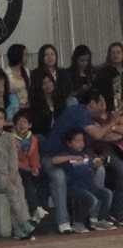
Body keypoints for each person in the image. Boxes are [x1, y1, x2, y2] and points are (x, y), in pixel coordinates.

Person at [39, 89, 123, 234]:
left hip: (74, 159)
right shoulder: (78, 111)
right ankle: (63, 222)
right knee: (59, 177)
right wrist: (113, 121)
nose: (104, 107)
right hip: (53, 157)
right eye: (101, 103)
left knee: (99, 169)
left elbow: (106, 136)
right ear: (92, 104)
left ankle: (94, 218)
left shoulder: (87, 117)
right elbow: (98, 134)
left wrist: (113, 126)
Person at [0, 108, 35, 240]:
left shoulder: (10, 137)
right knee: (12, 190)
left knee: (19, 188)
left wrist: (12, 173)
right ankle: (25, 222)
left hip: (10, 172)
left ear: (5, 121)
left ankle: (19, 230)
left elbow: (13, 157)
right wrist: (6, 175)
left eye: (0, 118)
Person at [52, 130, 116, 233]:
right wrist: (72, 157)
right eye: (77, 141)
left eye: (82, 140)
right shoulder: (65, 153)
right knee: (91, 199)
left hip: (89, 185)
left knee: (107, 194)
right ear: (69, 143)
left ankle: (99, 220)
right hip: (74, 187)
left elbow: (92, 164)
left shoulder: (85, 154)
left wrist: (97, 164)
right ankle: (78, 223)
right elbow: (54, 160)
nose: (80, 143)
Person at [12, 110, 50, 222]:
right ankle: (36, 208)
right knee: (26, 177)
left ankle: (43, 207)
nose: (21, 125)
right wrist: (28, 168)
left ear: (30, 125)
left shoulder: (33, 139)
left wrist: (35, 167)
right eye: (19, 122)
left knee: (45, 177)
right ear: (15, 125)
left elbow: (35, 156)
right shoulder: (10, 139)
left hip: (29, 168)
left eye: (24, 122)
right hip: (17, 168)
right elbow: (12, 160)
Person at [93, 41, 123, 112]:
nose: (115, 55)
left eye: (118, 52)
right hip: (110, 106)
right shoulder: (103, 72)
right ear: (109, 55)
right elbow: (97, 89)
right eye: (113, 53)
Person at [5, 44, 30, 108]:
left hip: (27, 106)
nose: (27, 57)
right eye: (25, 54)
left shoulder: (26, 71)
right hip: (13, 107)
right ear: (18, 55)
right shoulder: (5, 73)